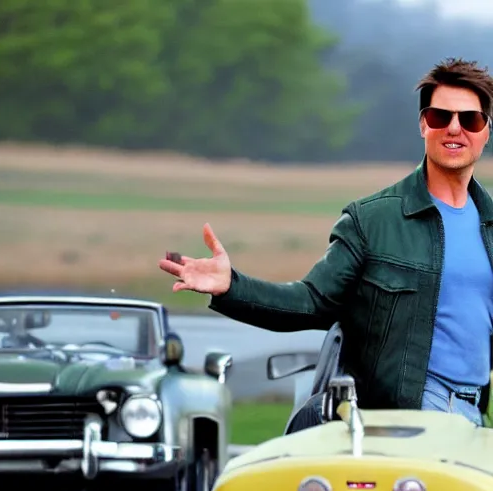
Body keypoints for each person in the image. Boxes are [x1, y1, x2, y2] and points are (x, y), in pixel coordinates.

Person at [159, 57, 493, 428]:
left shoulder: (490, 224)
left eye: (470, 119)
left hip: (475, 418)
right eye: (439, 117)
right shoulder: (372, 220)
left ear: (485, 131)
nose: (454, 128)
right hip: (405, 422)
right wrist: (231, 286)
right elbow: (312, 302)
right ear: (422, 125)